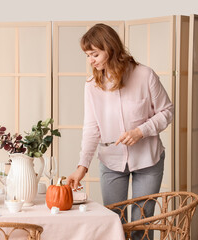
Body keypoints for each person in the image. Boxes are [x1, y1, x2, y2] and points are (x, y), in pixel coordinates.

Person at [67, 23, 173, 240]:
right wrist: (82, 166)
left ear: (110, 48)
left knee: (142, 221)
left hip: (148, 160)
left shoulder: (145, 75)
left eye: (95, 54)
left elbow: (167, 112)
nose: (91, 60)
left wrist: (141, 131)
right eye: (88, 55)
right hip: (111, 161)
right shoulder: (91, 85)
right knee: (114, 220)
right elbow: (91, 128)